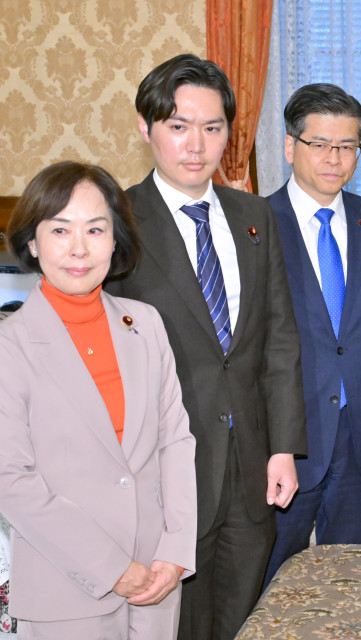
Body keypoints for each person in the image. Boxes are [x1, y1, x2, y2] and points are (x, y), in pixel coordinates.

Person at [106, 54, 307, 640]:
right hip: (163, 469)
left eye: (212, 127)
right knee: (177, 623)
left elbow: (279, 339)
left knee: (243, 618)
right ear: (146, 128)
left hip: (251, 465)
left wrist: (283, 448)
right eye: (179, 126)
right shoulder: (117, 221)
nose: (196, 145)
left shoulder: (254, 215)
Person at [0, 161, 196, 638]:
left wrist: (175, 551)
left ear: (114, 240)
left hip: (156, 580)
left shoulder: (145, 323)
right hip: (64, 586)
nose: (79, 248)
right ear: (32, 243)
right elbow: (11, 480)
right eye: (60, 230)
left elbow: (175, 441)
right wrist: (112, 568)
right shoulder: (10, 345)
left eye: (95, 229)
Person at [261, 84, 361, 586]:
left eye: (347, 146)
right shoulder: (257, 224)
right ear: (290, 146)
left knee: (349, 583)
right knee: (272, 580)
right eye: (320, 144)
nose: (334, 158)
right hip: (288, 436)